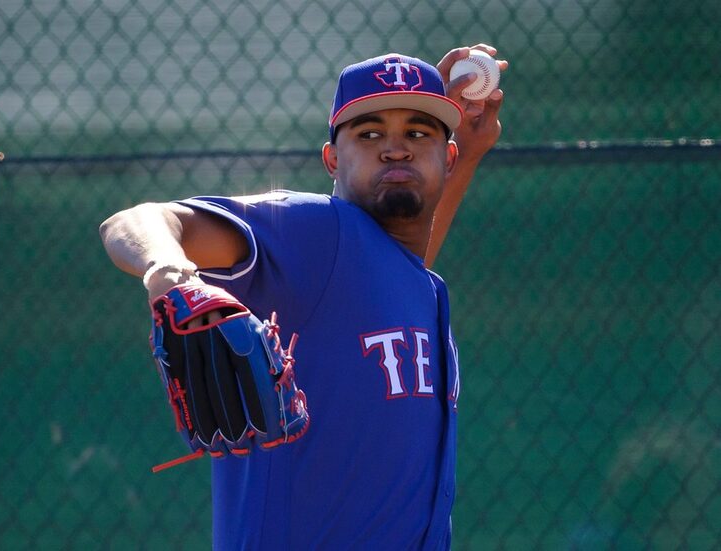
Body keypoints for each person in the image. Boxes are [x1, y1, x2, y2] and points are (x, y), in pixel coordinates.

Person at [100, 45, 505, 550]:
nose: (395, 148)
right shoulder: (317, 231)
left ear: (445, 157)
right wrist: (169, 272)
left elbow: (390, 274)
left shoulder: (414, 283)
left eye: (417, 134)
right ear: (332, 159)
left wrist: (466, 150)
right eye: (370, 132)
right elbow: (138, 221)